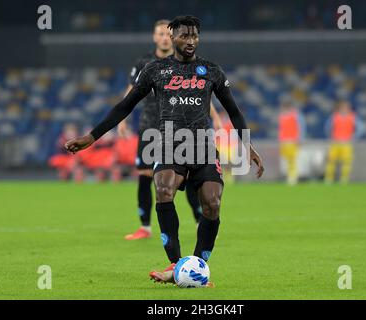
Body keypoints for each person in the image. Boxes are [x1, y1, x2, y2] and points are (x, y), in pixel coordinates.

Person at [64, 15, 264, 286]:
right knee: (164, 190)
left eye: (195, 36)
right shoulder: (155, 70)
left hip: (204, 147)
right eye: (185, 35)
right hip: (170, 144)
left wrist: (247, 145)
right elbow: (125, 106)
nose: (191, 41)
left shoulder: (212, 71)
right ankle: (174, 263)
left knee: (212, 204)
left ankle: (196, 268)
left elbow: (233, 110)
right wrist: (92, 136)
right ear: (172, 37)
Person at [118, 19, 222, 240]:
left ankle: (197, 220)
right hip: (150, 126)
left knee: (189, 174)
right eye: (160, 34)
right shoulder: (145, 63)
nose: (164, 37)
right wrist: (122, 120)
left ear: (173, 37)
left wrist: (215, 117)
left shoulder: (186, 62)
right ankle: (145, 227)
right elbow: (131, 90)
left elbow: (201, 93)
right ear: (155, 37)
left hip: (181, 128)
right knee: (146, 174)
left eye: (167, 34)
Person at [324, 100, 364, 184]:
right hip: (335, 142)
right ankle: (329, 178)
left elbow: (361, 129)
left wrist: (353, 137)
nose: (344, 109)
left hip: (346, 143)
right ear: (339, 108)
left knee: (346, 162)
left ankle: (344, 179)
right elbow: (327, 128)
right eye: (343, 107)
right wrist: (331, 137)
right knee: (331, 161)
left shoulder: (353, 117)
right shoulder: (334, 117)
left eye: (346, 107)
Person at [278, 101, 306, 185]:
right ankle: (289, 176)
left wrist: (300, 139)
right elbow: (281, 129)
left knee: (292, 159)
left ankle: (293, 177)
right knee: (286, 160)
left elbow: (301, 127)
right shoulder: (282, 116)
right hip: (284, 141)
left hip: (293, 141)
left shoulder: (296, 116)